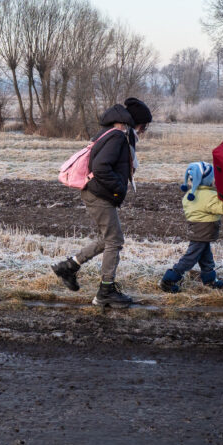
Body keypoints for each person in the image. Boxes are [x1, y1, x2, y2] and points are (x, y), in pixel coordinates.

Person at [51, 103, 137, 307]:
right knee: (114, 241)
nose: (140, 130)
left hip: (94, 194)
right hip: (99, 195)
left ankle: (69, 266)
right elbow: (100, 167)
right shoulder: (116, 137)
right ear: (123, 123)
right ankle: (106, 290)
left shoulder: (105, 134)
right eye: (140, 126)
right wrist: (118, 189)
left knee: (105, 240)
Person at [159, 161, 223, 292]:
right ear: (207, 180)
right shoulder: (208, 196)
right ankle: (169, 279)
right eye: (213, 178)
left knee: (206, 256)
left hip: (197, 229)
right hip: (203, 230)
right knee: (191, 258)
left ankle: (210, 280)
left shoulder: (191, 195)